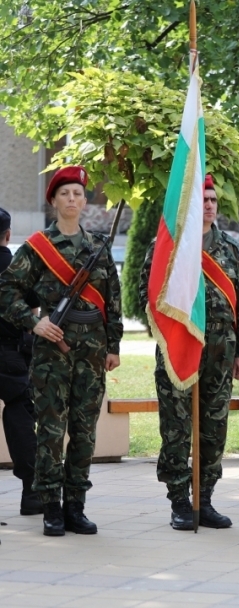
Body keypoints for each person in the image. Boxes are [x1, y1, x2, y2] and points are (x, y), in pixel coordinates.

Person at [0, 167, 122, 536]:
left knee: (84, 430)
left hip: (92, 351)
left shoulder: (96, 246)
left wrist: (113, 345)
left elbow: (112, 300)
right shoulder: (38, 247)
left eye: (77, 194)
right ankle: (51, 506)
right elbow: (7, 291)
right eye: (64, 193)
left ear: (85, 202)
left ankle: (76, 507)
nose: (72, 199)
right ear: (53, 201)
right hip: (52, 353)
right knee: (51, 430)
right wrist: (33, 322)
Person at [140, 174, 239, 530]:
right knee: (176, 427)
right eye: (202, 200)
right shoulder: (168, 246)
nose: (208, 205)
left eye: (213, 200)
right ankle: (179, 501)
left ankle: (204, 500)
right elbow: (152, 298)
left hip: (221, 353)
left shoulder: (231, 249)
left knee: (214, 428)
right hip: (179, 349)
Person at [0, 207, 41, 518]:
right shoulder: (17, 268)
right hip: (11, 354)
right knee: (19, 415)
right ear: (8, 235)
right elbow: (33, 310)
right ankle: (32, 491)